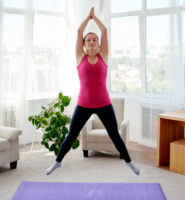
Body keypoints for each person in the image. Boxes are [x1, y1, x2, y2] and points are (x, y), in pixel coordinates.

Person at [45, 7, 140, 176]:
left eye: (94, 39)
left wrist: (94, 18)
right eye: (88, 40)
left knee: (115, 135)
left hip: (104, 104)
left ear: (98, 43)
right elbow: (79, 30)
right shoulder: (79, 57)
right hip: (84, 105)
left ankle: (128, 162)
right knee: (71, 136)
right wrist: (87, 18)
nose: (91, 42)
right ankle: (57, 162)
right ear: (83, 44)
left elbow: (104, 30)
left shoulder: (104, 55)